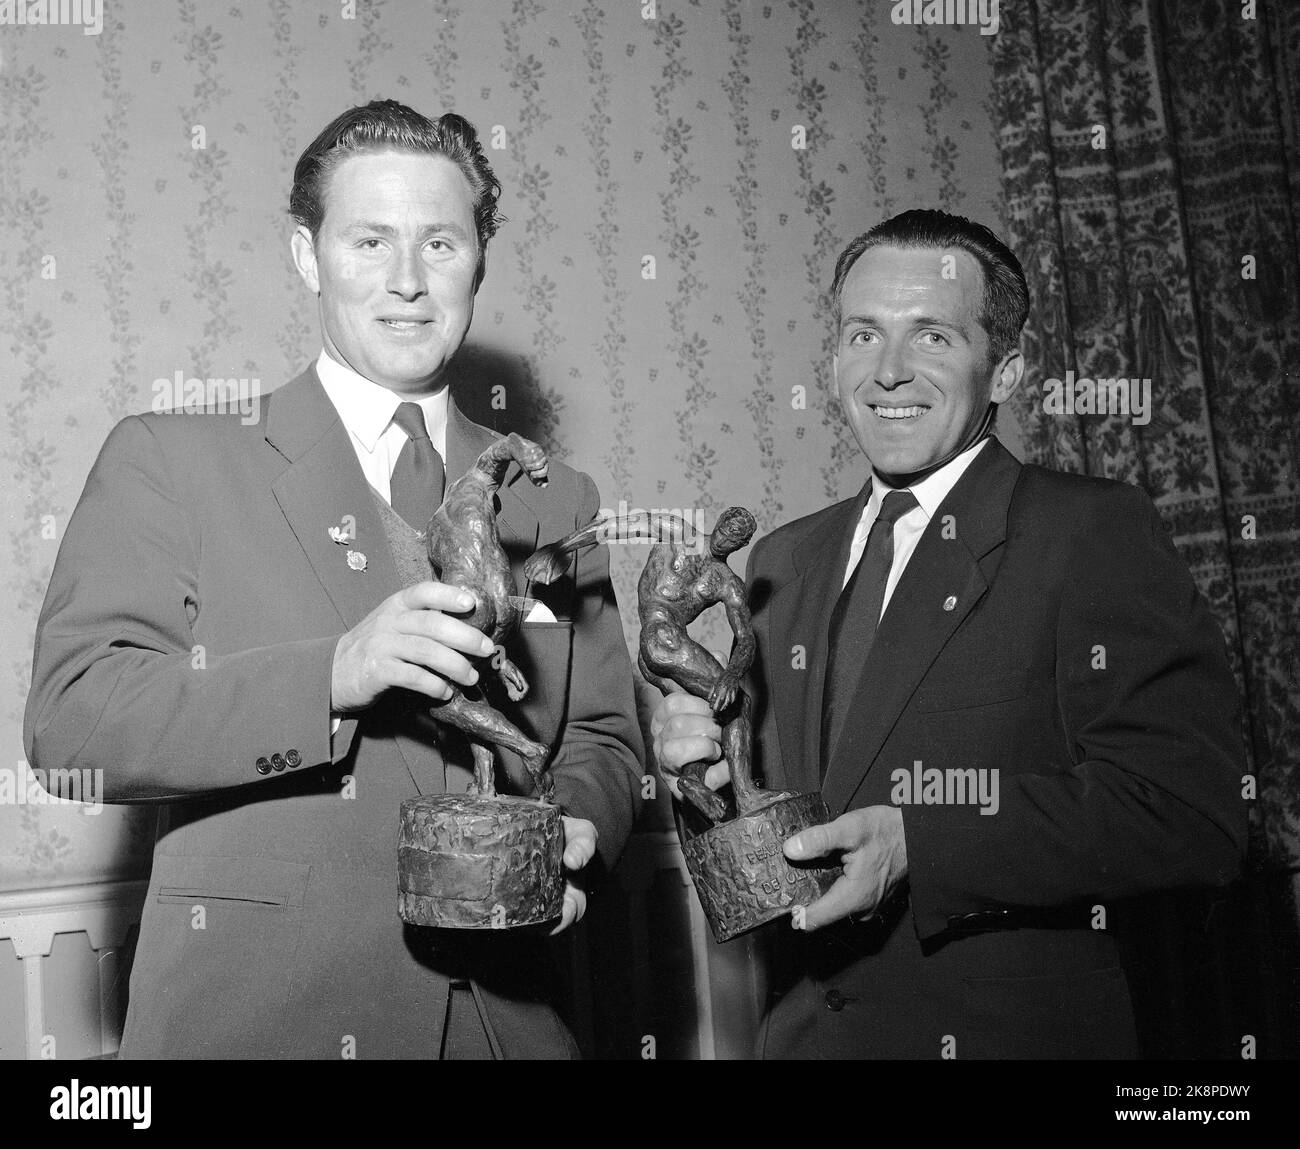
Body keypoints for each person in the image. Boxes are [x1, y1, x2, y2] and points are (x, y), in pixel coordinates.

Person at [24, 101, 644, 1060]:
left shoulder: (552, 497)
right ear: (307, 257)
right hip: (262, 1023)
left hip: (512, 1022)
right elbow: (73, 723)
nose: (407, 280)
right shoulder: (171, 457)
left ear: (480, 257)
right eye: (369, 240)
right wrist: (333, 676)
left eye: (441, 242)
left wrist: (583, 838)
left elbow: (603, 731)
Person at [651, 209, 1247, 1059]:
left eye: (931, 336)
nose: (888, 371)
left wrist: (919, 845)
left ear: (1003, 370)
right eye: (863, 335)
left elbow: (1190, 813)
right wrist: (704, 778)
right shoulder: (784, 557)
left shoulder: (1089, 533)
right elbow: (774, 838)